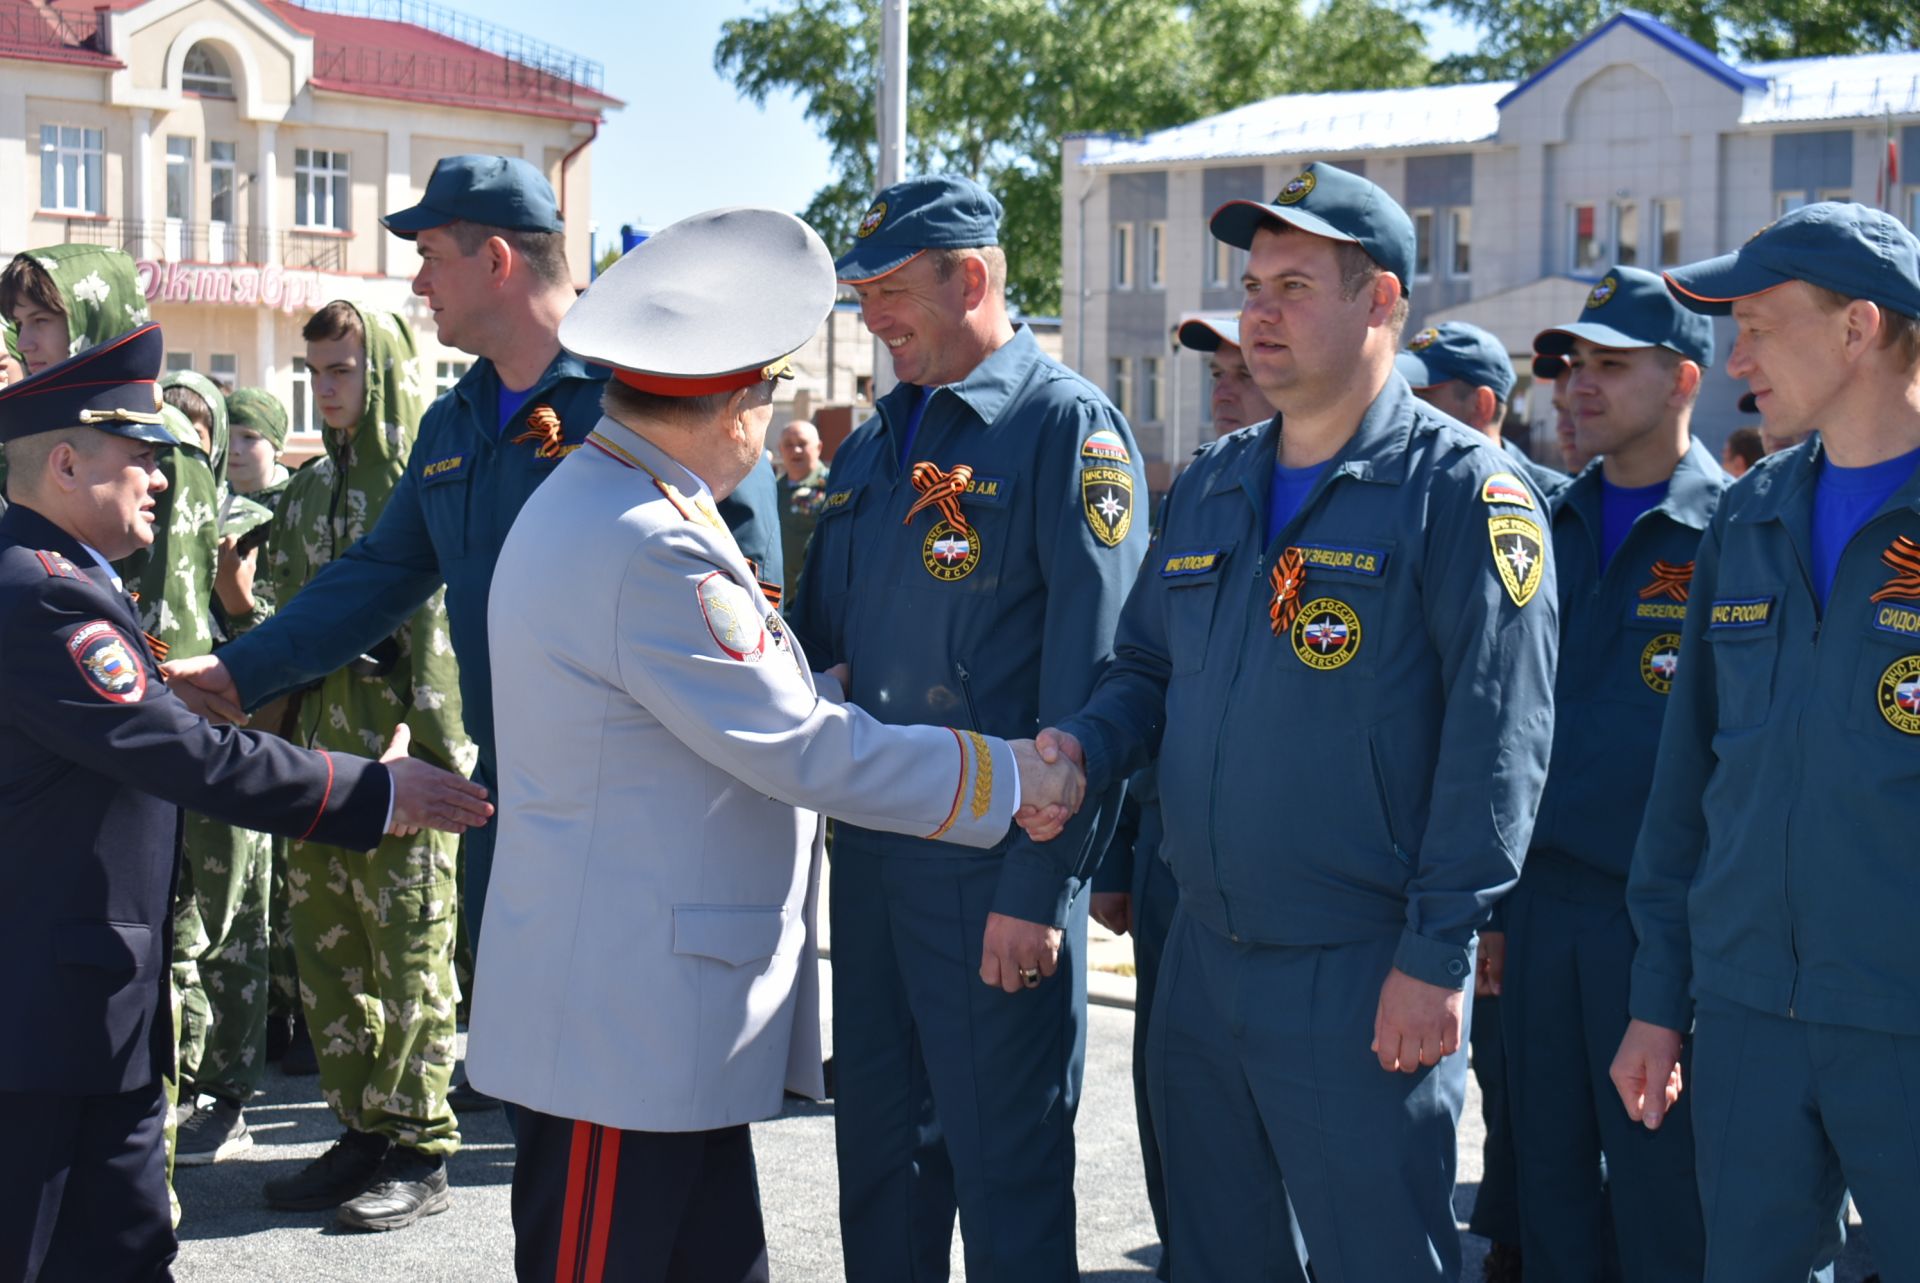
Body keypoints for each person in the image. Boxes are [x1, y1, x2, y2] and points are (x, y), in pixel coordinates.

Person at [469, 205, 1082, 1283]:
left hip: (651, 1027)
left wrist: (818, 685)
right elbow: (801, 747)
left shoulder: (620, 499)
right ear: (734, 403)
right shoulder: (649, 541)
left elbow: (726, 696)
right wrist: (1013, 776)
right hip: (624, 1032)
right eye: (767, 391)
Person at [1036, 161, 1559, 1282]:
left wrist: (1437, 951)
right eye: (1252, 285)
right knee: (1219, 1256)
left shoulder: (1462, 492)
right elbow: (1144, 662)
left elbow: (1498, 739)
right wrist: (1086, 740)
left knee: (1378, 1258)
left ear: (1383, 304)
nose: (1257, 314)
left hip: (1366, 967)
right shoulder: (1219, 480)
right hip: (1206, 960)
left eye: (1293, 285)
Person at [0, 322, 492, 1282]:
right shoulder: (45, 597)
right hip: (51, 1015)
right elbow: (190, 759)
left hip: (88, 996)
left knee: (125, 1246)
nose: (161, 479)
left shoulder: (61, 582)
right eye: (141, 458)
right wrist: (376, 790)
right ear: (65, 463)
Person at [788, 173, 1148, 1281]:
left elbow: (1097, 689)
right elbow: (819, 641)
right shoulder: (874, 442)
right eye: (861, 294)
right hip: (879, 869)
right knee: (882, 1167)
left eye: (892, 290)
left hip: (995, 873)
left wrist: (1039, 894)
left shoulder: (1066, 428)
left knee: (1008, 1179)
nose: (872, 317)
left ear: (975, 277)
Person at [1612, 203, 1920, 1281]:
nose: (1733, 357)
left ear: (1859, 328)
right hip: (1747, 1014)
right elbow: (1688, 779)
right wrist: (1659, 1000)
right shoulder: (1746, 519)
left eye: (1757, 323)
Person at [1501, 265, 1726, 1281]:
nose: (1578, 385)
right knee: (1542, 1187)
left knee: (1664, 1199)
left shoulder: (1734, 531)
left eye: (1611, 365)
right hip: (1539, 908)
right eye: (1571, 363)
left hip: (1663, 924)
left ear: (1683, 380)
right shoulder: (1537, 524)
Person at [241, 300, 474, 1229]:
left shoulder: (425, 491)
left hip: (405, 766)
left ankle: (419, 1143)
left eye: (344, 370)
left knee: (408, 950)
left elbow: (442, 639)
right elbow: (293, 631)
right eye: (318, 372)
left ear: (382, 375)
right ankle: (362, 1129)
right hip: (319, 766)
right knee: (331, 955)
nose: (327, 387)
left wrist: (431, 757)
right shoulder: (303, 493)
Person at [1091, 310, 1296, 1283]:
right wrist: (1121, 851)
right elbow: (1155, 678)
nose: (1223, 381)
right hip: (1182, 871)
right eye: (1214, 366)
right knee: (1181, 1118)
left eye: (1239, 365)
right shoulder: (1204, 496)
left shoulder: (1408, 493)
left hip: (1311, 906)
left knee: (1290, 1171)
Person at [1401, 319, 1567, 504]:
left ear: (1481, 406)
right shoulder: (1399, 486)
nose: (1406, 409)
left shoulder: (1553, 501)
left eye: (1422, 399)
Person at [775, 418, 829, 604]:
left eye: (802, 444)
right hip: (781, 598)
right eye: (788, 445)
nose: (795, 450)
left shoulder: (834, 486)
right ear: (780, 449)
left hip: (818, 598)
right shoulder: (772, 490)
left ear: (819, 447)